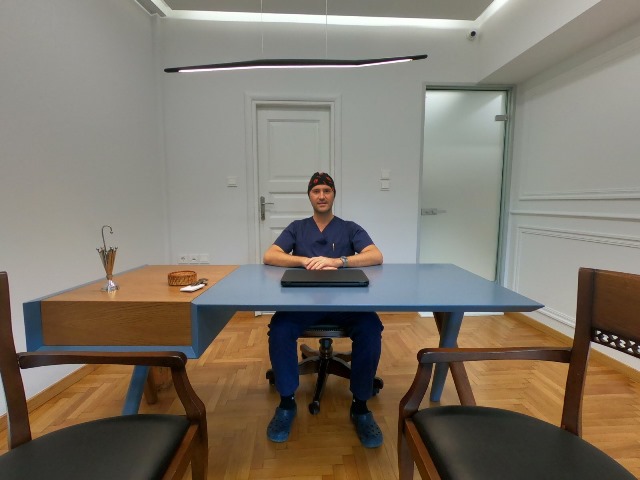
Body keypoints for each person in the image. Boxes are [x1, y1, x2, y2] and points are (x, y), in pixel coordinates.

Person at [263, 171, 384, 448]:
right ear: (309, 196)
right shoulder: (297, 227)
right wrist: (305, 261)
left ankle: (361, 407)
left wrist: (338, 261)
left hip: (346, 303)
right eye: (316, 191)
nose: (321, 196)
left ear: (333, 195)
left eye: (326, 191)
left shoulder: (349, 228)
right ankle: (286, 403)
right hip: (303, 303)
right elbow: (270, 255)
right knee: (280, 328)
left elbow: (376, 255)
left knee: (370, 328)